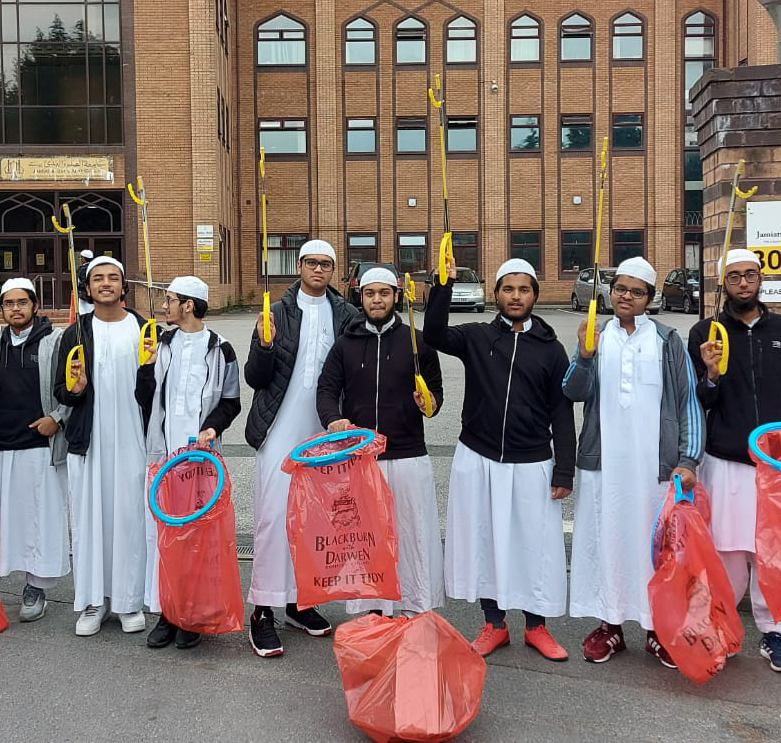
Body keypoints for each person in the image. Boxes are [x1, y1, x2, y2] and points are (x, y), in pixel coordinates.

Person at [425, 255, 577, 662]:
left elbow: (562, 413)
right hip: (479, 456)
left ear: (534, 295)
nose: (515, 296)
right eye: (508, 289)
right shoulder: (476, 336)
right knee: (486, 540)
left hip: (532, 462)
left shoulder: (552, 350)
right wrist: (442, 284)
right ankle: (494, 624)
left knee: (534, 546)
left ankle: (536, 627)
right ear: (496, 295)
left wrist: (564, 468)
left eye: (523, 289)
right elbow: (434, 333)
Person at [562, 256, 704, 666]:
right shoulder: (597, 334)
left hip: (655, 471)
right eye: (620, 288)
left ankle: (656, 629)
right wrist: (585, 355)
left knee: (654, 549)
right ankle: (610, 627)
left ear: (649, 298)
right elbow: (573, 390)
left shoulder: (666, 341)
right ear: (610, 291)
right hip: (605, 468)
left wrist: (689, 459)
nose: (626, 296)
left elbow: (688, 402)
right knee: (607, 543)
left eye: (636, 291)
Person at [687, 248, 781, 673]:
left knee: (772, 554)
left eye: (749, 275)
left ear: (760, 279)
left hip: (775, 465)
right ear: (724, 283)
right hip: (726, 461)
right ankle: (720, 626)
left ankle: (776, 635)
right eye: (734, 277)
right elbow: (701, 400)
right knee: (727, 554)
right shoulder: (707, 332)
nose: (743, 283)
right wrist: (712, 373)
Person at [243, 239, 359, 657]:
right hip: (278, 429)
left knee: (315, 522)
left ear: (333, 270)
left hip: (323, 430)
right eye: (311, 263)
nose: (318, 270)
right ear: (298, 265)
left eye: (326, 264)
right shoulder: (276, 312)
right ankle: (263, 610)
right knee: (274, 519)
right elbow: (256, 378)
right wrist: (264, 344)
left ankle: (299, 602)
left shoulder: (346, 314)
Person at [316, 266, 445, 618]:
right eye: (370, 293)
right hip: (361, 459)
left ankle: (413, 608)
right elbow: (327, 389)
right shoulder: (345, 344)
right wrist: (332, 418)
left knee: (410, 535)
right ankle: (373, 609)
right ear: (361, 297)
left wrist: (428, 403)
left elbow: (436, 395)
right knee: (365, 539)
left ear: (396, 297)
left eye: (384, 293)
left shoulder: (417, 343)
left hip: (407, 456)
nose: (377, 300)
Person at [138, 275, 242, 651]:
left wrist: (212, 428)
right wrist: (146, 368)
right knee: (166, 537)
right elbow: (144, 399)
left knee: (198, 538)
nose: (164, 307)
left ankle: (193, 616)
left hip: (202, 461)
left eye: (170, 300)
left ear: (189, 305)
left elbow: (231, 401)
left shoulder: (221, 348)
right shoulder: (161, 344)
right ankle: (167, 613)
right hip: (164, 458)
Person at [0, 278, 71, 623]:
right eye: (9, 303)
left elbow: (74, 388)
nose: (16, 309)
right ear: (2, 308)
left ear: (35, 306)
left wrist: (57, 417)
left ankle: (35, 588)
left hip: (40, 447)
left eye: (22, 302)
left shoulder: (56, 343)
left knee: (37, 522)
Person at [54, 256, 150, 637]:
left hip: (132, 438)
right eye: (98, 279)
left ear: (124, 286)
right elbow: (60, 391)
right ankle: (94, 602)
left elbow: (153, 390)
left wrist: (149, 372)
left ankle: (128, 602)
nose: (106, 284)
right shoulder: (75, 332)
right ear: (88, 288)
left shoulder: (143, 328)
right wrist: (74, 391)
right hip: (89, 440)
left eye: (113, 278)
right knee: (89, 518)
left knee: (129, 517)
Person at [76, 249, 96, 316]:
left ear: (83, 259)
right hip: (93, 294)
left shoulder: (84, 268)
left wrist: (80, 287)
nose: (80, 259)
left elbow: (84, 282)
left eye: (81, 257)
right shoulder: (94, 267)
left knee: (84, 312)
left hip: (85, 295)